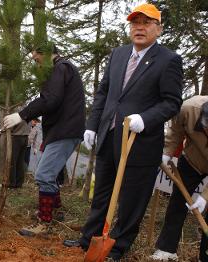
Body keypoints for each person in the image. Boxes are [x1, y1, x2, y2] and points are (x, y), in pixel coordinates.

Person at [63, 3, 184, 260]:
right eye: (135, 22)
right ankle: (88, 239)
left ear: (158, 29)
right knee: (102, 193)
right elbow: (104, 92)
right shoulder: (118, 54)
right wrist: (93, 124)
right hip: (109, 136)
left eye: (147, 22)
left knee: (131, 200)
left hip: (140, 142)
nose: (139, 27)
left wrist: (146, 118)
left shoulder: (168, 60)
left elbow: (172, 102)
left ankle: (117, 247)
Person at [3, 43, 85, 236]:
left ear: (47, 54)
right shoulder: (64, 68)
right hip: (63, 128)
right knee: (48, 173)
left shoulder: (60, 68)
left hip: (65, 129)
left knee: (44, 175)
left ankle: (44, 222)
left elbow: (50, 99)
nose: (36, 64)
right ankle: (56, 211)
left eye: (37, 59)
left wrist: (21, 115)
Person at [150, 96, 208, 261]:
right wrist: (167, 153)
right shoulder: (188, 109)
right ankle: (167, 249)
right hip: (192, 160)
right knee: (178, 202)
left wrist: (204, 197)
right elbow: (175, 131)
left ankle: (205, 255)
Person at [9, 120, 31, 188]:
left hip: (17, 138)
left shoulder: (19, 116)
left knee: (13, 161)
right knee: (20, 161)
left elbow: (11, 127)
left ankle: (12, 183)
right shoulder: (29, 116)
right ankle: (19, 183)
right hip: (25, 138)